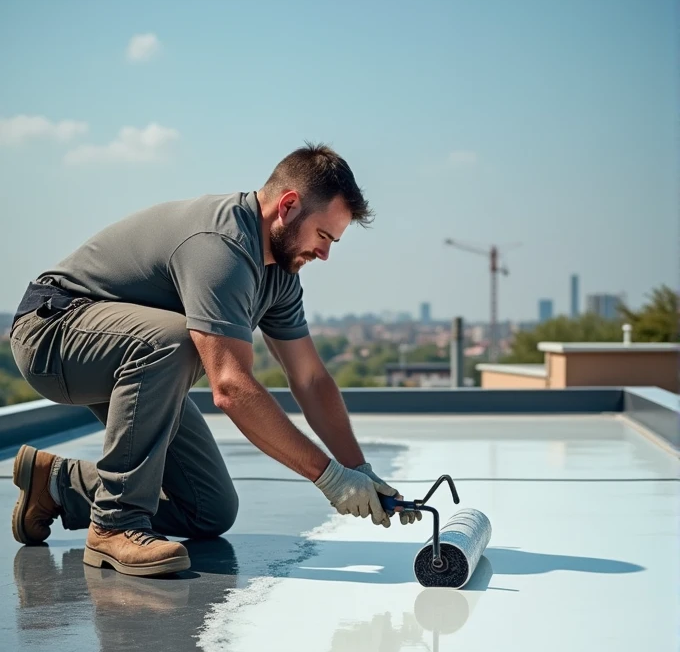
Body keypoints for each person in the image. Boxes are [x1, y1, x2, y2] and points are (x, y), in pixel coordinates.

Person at [10, 143, 421, 577]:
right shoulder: (221, 246)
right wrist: (330, 478)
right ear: (288, 206)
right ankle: (115, 524)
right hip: (52, 335)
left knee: (210, 510)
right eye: (323, 236)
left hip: (131, 357)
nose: (325, 254)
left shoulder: (279, 275)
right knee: (174, 340)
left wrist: (358, 470)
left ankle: (56, 483)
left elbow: (311, 380)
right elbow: (230, 387)